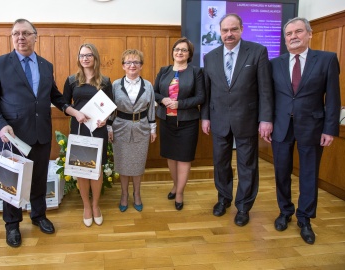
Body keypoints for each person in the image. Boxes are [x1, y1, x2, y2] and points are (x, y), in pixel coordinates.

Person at [0, 19, 87, 247]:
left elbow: (55, 96)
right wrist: (0, 126)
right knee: (12, 182)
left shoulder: (46, 65)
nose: (21, 38)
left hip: (41, 134)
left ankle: (38, 216)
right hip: (13, 136)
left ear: (35, 37)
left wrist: (74, 112)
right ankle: (12, 224)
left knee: (38, 178)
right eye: (16, 34)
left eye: (26, 33)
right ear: (11, 37)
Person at [270, 17, 341, 244]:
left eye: (298, 31)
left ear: (309, 34)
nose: (293, 36)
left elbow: (333, 97)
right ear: (285, 38)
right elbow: (269, 97)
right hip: (281, 126)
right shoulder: (275, 63)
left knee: (309, 174)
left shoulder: (327, 60)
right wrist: (266, 122)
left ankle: (305, 218)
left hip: (313, 126)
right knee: (281, 172)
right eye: (289, 33)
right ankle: (285, 211)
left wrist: (330, 129)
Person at [201, 14, 274, 226]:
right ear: (220, 32)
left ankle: (243, 206)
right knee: (221, 163)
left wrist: (266, 119)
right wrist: (205, 117)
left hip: (247, 119)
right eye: (225, 30)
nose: (229, 34)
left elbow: (265, 89)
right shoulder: (210, 56)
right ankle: (223, 199)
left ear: (241, 29)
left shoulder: (258, 52)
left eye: (233, 29)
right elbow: (207, 91)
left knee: (247, 166)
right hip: (218, 119)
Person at [63, 43, 113, 227]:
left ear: (95, 58)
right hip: (79, 128)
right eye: (82, 55)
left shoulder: (105, 81)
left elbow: (110, 106)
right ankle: (86, 206)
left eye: (89, 55)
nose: (85, 58)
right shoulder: (71, 80)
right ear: (78, 58)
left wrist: (105, 120)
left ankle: (95, 205)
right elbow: (63, 104)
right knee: (82, 170)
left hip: (98, 129)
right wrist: (75, 113)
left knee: (96, 169)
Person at [154, 37, 204, 211]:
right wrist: (164, 100)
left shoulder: (196, 72)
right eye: (177, 49)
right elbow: (154, 93)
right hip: (167, 120)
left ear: (189, 54)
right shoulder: (164, 70)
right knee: (171, 157)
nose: (179, 52)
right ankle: (175, 185)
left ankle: (180, 193)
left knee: (183, 158)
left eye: (184, 50)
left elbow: (200, 97)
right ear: (173, 52)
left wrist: (179, 104)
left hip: (187, 122)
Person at [107, 49, 157, 213]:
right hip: (120, 128)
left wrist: (153, 128)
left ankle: (137, 194)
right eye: (128, 62)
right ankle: (123, 194)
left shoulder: (148, 85)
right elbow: (109, 108)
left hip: (141, 128)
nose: (132, 65)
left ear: (141, 65)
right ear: (123, 66)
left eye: (136, 62)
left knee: (137, 165)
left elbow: (151, 109)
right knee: (122, 164)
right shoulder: (115, 85)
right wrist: (108, 126)